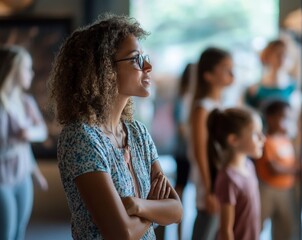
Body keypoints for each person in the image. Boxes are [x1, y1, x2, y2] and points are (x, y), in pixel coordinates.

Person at [47, 14, 183, 240]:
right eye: (135, 59)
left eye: (144, 57)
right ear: (104, 70)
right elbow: (121, 234)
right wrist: (154, 209)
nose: (147, 66)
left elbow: (177, 211)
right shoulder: (81, 137)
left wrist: (137, 205)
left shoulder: (138, 132)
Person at [0, 45, 48, 240]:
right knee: (6, 234)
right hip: (2, 180)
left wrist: (29, 133)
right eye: (27, 68)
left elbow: (41, 132)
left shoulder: (26, 102)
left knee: (19, 233)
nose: (31, 73)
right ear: (13, 68)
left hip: (22, 176)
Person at [189, 47, 234, 240]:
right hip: (210, 181)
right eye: (225, 68)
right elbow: (200, 152)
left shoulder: (221, 104)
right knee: (205, 230)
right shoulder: (202, 109)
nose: (231, 74)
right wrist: (209, 189)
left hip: (221, 178)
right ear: (208, 75)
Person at [207, 107, 265, 240]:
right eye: (256, 134)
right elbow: (226, 231)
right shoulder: (228, 178)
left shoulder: (249, 166)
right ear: (233, 140)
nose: (263, 138)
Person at [254, 100, 298, 240]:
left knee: (284, 229)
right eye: (283, 117)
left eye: (289, 118)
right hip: (267, 190)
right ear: (270, 118)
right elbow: (273, 168)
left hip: (286, 191)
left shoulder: (286, 139)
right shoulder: (266, 141)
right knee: (257, 225)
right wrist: (295, 170)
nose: (287, 121)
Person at [172, 63, 195, 240]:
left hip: (190, 150)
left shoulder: (194, 98)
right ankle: (180, 235)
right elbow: (181, 129)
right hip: (184, 152)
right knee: (180, 192)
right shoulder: (182, 99)